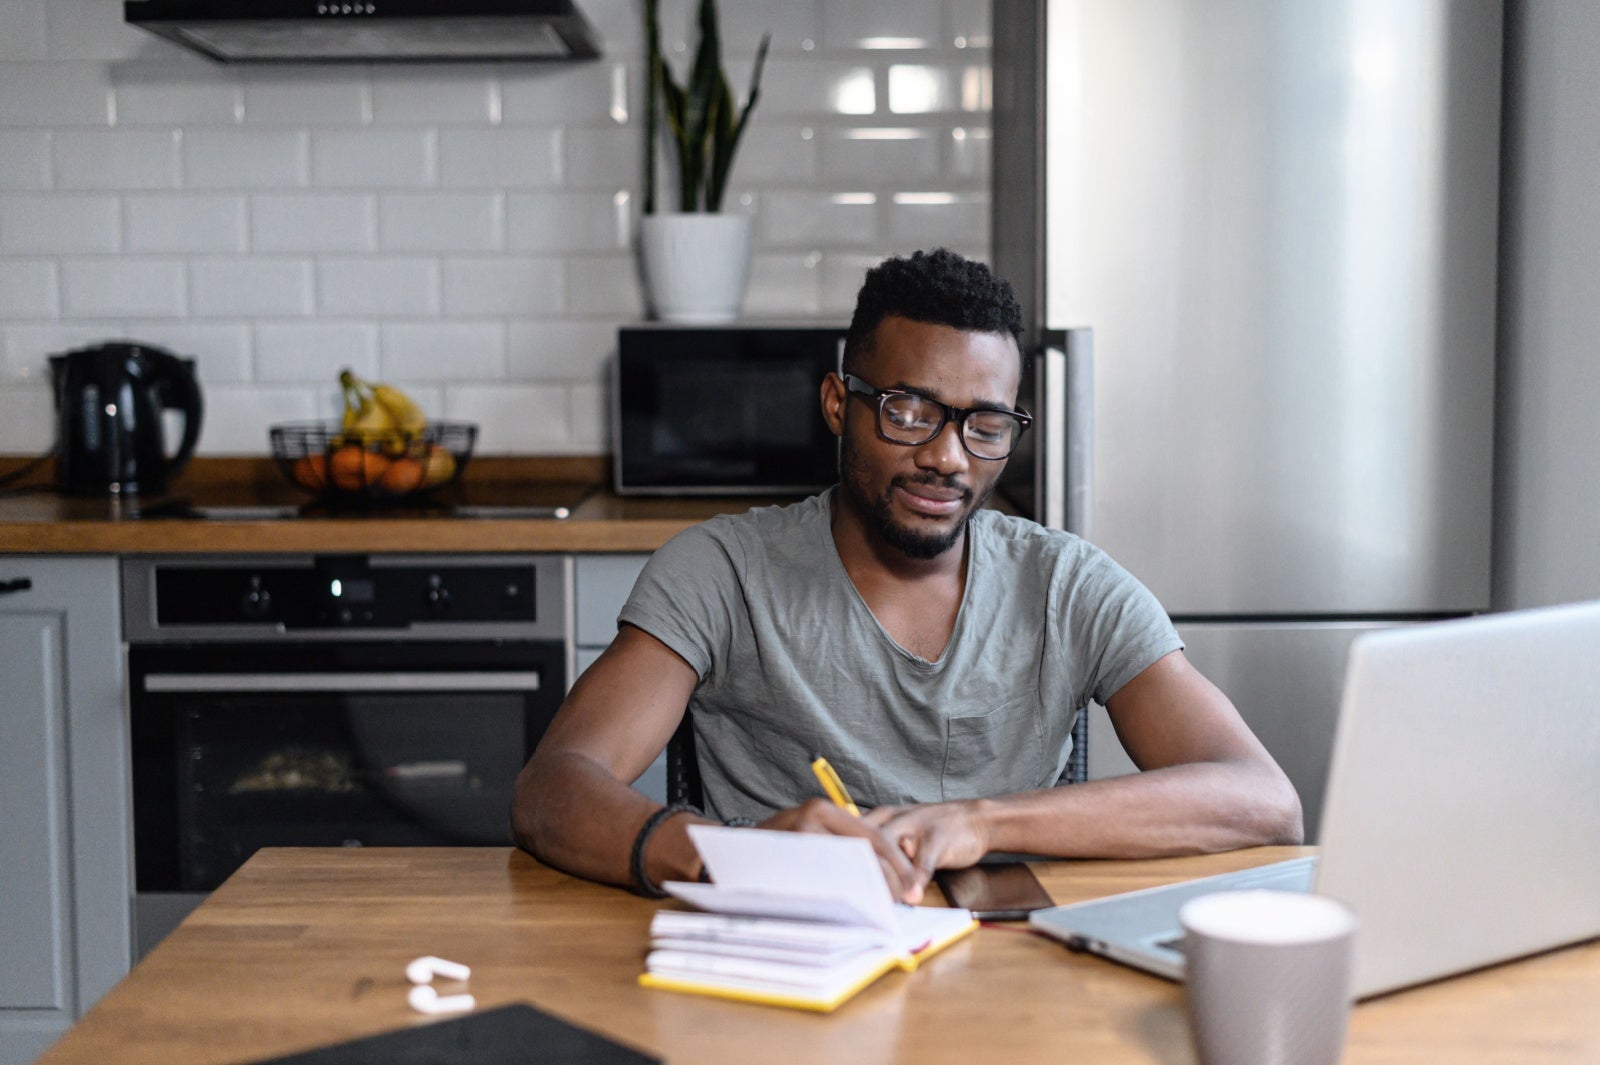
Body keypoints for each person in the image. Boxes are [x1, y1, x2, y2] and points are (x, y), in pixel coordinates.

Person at [512, 248, 1302, 904]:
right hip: (781, 972)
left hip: (1008, 982)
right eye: (909, 411)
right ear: (837, 402)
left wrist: (984, 821)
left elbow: (1264, 801)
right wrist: (724, 852)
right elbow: (551, 789)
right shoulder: (719, 572)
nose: (947, 456)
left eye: (983, 425)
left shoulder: (1067, 585)